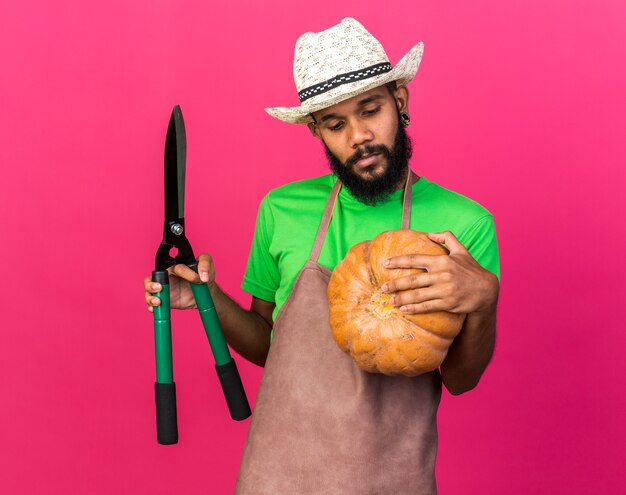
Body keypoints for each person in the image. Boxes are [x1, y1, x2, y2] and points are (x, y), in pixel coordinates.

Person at [144, 17, 500, 495]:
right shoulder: (281, 209)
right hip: (279, 476)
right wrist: (208, 297)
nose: (358, 137)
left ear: (401, 101)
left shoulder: (464, 223)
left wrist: (483, 299)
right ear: (316, 131)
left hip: (390, 479)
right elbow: (273, 349)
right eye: (335, 124)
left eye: (370, 110)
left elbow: (460, 379)